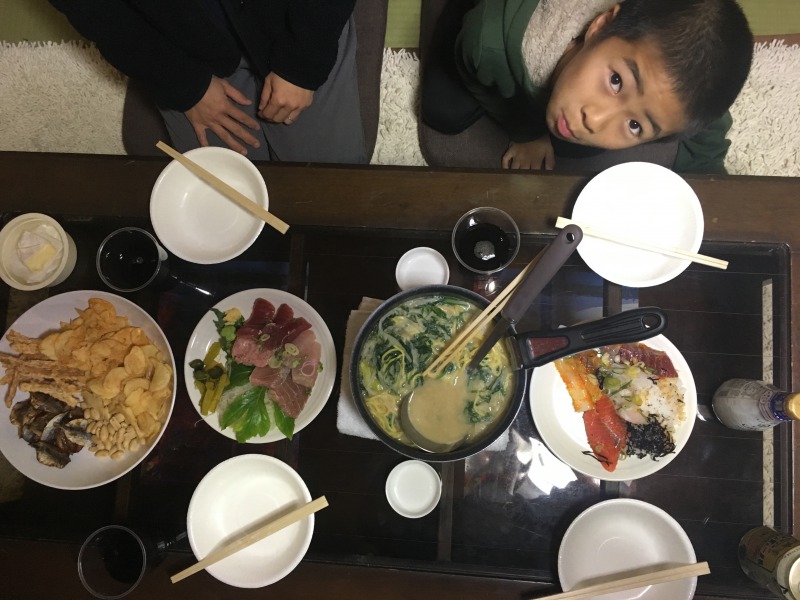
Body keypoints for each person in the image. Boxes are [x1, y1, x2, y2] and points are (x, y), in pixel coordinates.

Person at [421, 0, 753, 173]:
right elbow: (471, 64)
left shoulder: (657, 66)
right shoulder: (490, 41)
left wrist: (709, 185)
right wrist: (527, 132)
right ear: (601, 25)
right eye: (616, 81)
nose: (594, 120)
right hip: (493, 30)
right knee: (442, 110)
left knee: (577, 150)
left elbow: (706, 119)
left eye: (635, 125)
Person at [47, 0, 368, 164]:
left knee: (329, 188)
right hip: (181, 44)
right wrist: (186, 84)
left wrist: (303, 61)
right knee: (225, 206)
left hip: (292, 20)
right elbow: (93, 10)